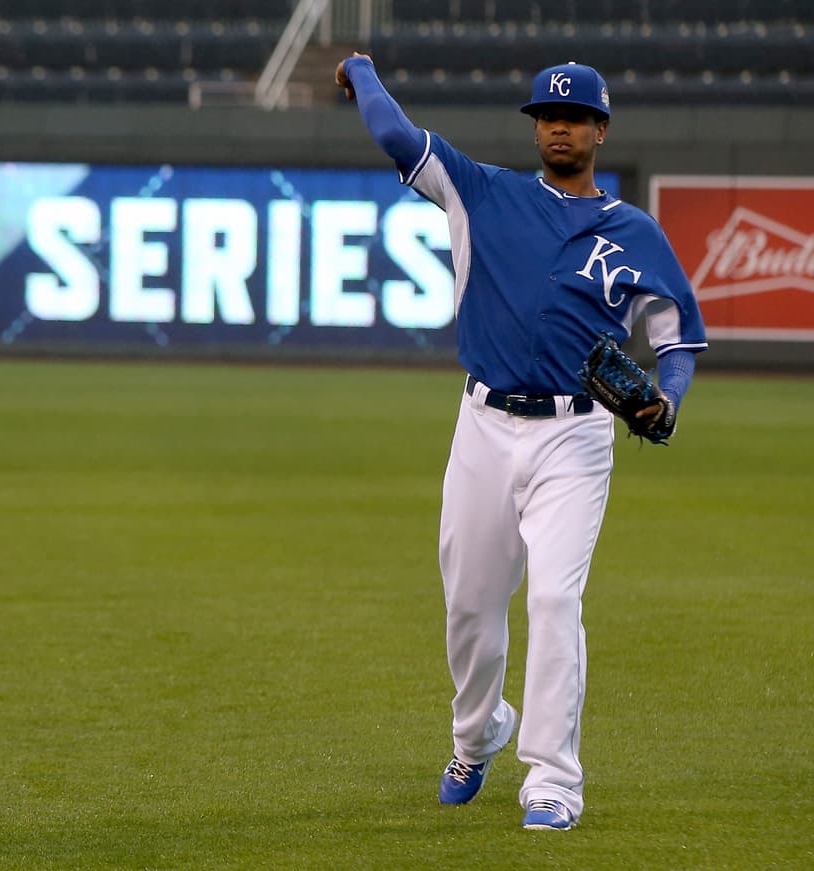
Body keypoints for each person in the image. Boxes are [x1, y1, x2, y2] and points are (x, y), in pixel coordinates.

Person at [334, 55, 707, 830]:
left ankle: (553, 780)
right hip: (481, 423)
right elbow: (395, 134)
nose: (559, 124)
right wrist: (361, 70)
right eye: (546, 114)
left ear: (601, 130)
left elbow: (676, 340)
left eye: (573, 115)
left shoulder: (635, 233)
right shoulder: (481, 191)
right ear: (535, 127)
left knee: (554, 597)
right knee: (470, 604)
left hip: (576, 436)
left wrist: (666, 401)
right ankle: (479, 735)